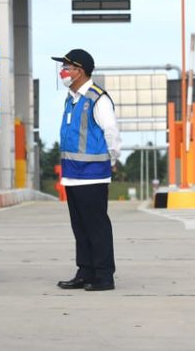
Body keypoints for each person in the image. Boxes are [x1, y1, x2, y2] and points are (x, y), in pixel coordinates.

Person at [51, 49, 121, 292]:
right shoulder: (71, 98)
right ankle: (85, 271)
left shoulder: (97, 98)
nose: (63, 72)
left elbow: (111, 131)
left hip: (92, 174)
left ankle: (104, 275)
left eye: (67, 67)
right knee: (80, 227)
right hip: (72, 174)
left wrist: (111, 160)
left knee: (97, 226)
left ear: (79, 71)